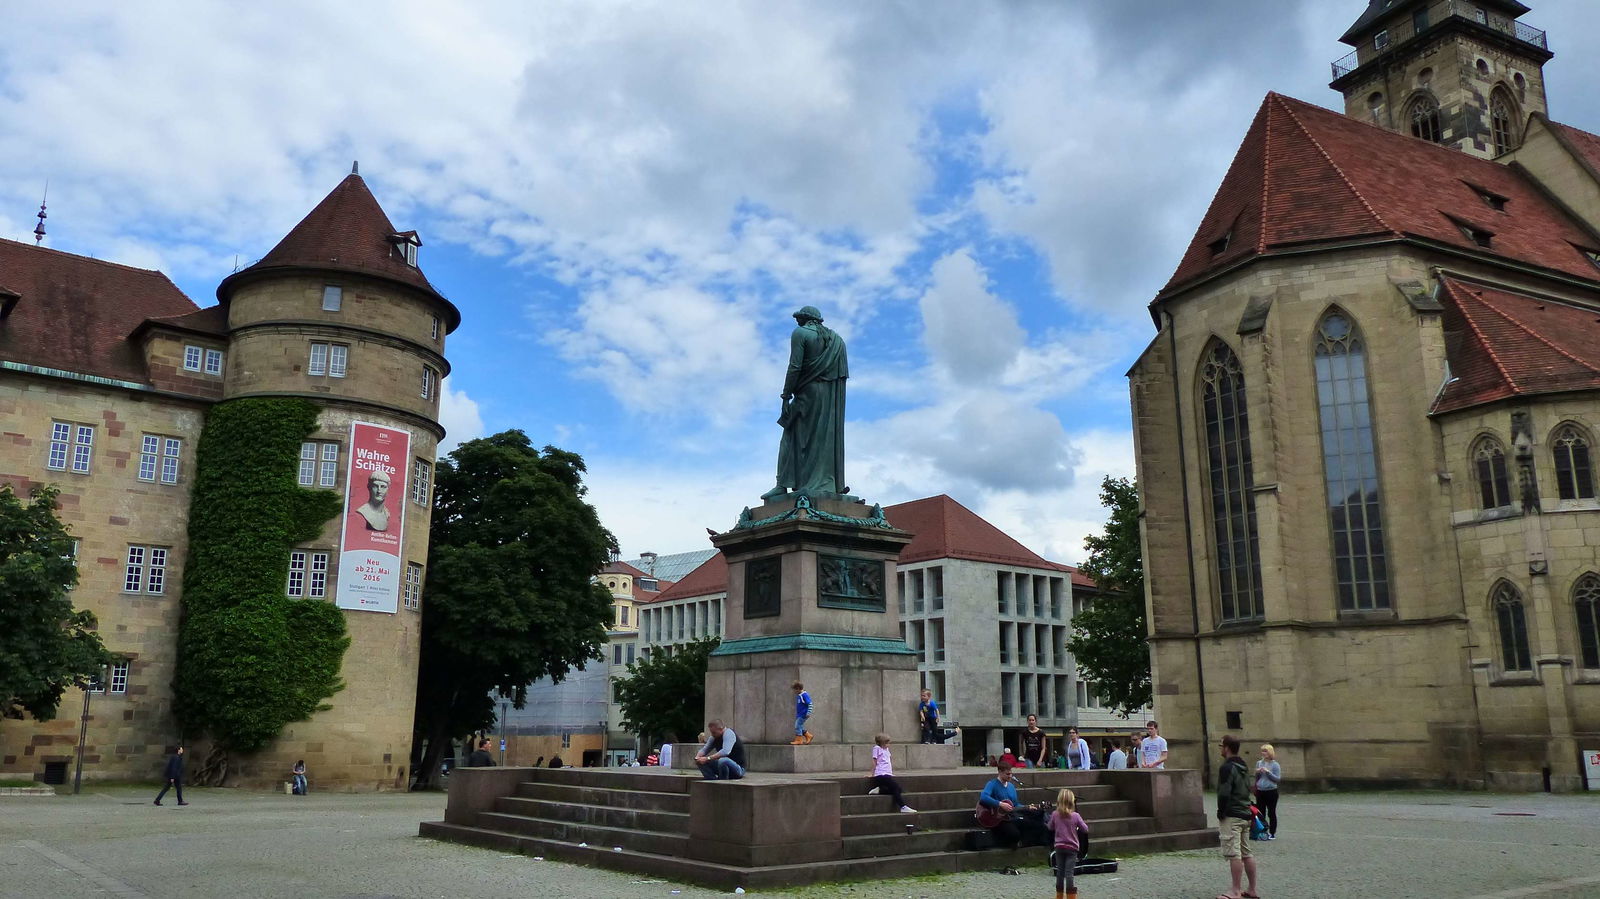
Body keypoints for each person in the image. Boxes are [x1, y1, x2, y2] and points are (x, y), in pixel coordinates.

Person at [761, 305, 850, 501]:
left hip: (807, 392)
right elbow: (841, 376)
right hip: (829, 396)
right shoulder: (838, 341)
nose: (797, 322)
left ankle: (782, 484)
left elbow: (795, 366)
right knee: (824, 437)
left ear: (804, 319)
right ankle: (829, 482)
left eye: (798, 318)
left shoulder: (800, 333)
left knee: (790, 436)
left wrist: (786, 395)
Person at [1216, 734, 1261, 899]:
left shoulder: (1227, 767)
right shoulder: (1243, 765)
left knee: (1234, 853)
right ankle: (1252, 889)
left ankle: (1235, 891)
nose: (1220, 749)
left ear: (1227, 747)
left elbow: (1224, 791)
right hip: (1245, 812)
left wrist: (1221, 811)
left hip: (1232, 814)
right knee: (1246, 852)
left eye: (1221, 745)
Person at [1047, 788, 1089, 899]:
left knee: (1060, 872)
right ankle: (1071, 896)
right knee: (1069, 873)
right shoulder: (1075, 816)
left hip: (1059, 847)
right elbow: (1085, 829)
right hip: (1072, 848)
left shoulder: (1055, 814)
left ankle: (1059, 896)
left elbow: (1050, 827)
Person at [977, 761, 1029, 847]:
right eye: (1007, 774)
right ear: (1000, 772)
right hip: (996, 818)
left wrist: (1027, 807)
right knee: (1013, 833)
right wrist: (1000, 804)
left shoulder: (1011, 787)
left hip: (1009, 816)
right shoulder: (992, 784)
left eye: (1011, 774)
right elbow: (983, 797)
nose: (1010, 776)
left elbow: (1015, 805)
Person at [866, 734, 916, 813]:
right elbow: (874, 762)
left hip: (887, 774)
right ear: (881, 743)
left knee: (898, 789)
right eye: (886, 743)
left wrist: (890, 773)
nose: (888, 745)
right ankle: (903, 807)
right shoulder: (877, 748)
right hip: (881, 774)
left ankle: (880, 790)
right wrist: (872, 773)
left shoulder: (886, 749)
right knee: (896, 788)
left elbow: (887, 762)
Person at [1254, 744, 1282, 839]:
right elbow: (1257, 778)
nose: (1263, 753)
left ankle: (1272, 832)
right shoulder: (1259, 763)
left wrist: (1268, 772)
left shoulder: (1275, 765)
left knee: (1271, 812)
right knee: (1260, 813)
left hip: (1271, 791)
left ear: (1270, 752)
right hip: (1260, 791)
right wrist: (1257, 772)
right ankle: (1262, 831)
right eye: (1262, 751)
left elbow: (1277, 779)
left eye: (1265, 751)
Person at [790, 681, 813, 745]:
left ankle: (799, 740)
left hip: (803, 714)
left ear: (798, 688)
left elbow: (810, 704)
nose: (794, 692)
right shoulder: (800, 695)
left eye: (794, 690)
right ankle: (808, 735)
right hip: (800, 714)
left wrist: (808, 712)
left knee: (797, 726)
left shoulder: (804, 695)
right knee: (800, 726)